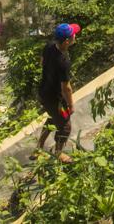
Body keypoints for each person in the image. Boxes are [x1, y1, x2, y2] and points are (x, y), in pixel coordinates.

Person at [35, 22, 81, 161]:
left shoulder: (49, 46)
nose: (75, 35)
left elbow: (42, 62)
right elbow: (66, 88)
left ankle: (39, 147)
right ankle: (58, 152)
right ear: (67, 41)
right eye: (73, 34)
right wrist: (71, 105)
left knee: (53, 118)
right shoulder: (63, 61)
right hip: (55, 99)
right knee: (65, 125)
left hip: (43, 92)